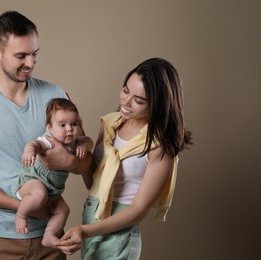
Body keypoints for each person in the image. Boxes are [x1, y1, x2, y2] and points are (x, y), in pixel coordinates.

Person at [0, 11, 91, 260]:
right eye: (20, 56)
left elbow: (88, 166)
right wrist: (24, 208)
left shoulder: (55, 95)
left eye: (35, 53)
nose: (31, 62)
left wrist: (69, 162)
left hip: (49, 237)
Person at [55, 57, 193, 259]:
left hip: (117, 234)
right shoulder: (111, 124)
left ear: (158, 104)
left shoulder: (160, 147)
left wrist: (85, 232)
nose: (126, 102)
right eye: (126, 90)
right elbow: (94, 182)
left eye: (138, 100)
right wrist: (77, 140)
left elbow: (139, 210)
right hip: (91, 223)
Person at [15, 98, 94, 248]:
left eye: (74, 124)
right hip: (30, 183)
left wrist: (84, 144)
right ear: (49, 127)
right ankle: (21, 215)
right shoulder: (49, 140)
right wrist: (29, 150)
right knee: (39, 193)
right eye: (62, 125)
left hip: (52, 191)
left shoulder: (74, 141)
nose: (69, 129)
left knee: (63, 210)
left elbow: (89, 141)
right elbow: (35, 144)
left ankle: (49, 235)